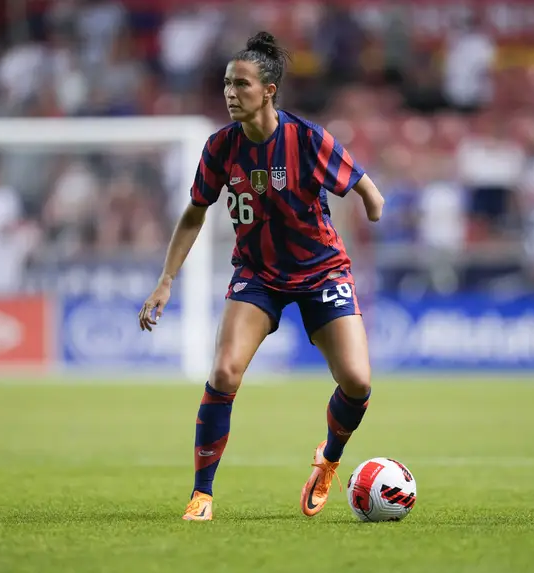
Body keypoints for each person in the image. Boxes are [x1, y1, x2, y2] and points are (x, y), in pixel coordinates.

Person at [138, 32, 385, 521]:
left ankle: (329, 458)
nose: (231, 93)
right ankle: (202, 493)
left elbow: (365, 188)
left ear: (269, 89)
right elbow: (193, 214)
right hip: (258, 275)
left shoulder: (308, 139)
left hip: (321, 272)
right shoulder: (219, 148)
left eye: (242, 84)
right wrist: (166, 279)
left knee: (356, 381)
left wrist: (373, 206)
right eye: (227, 84)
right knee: (225, 371)